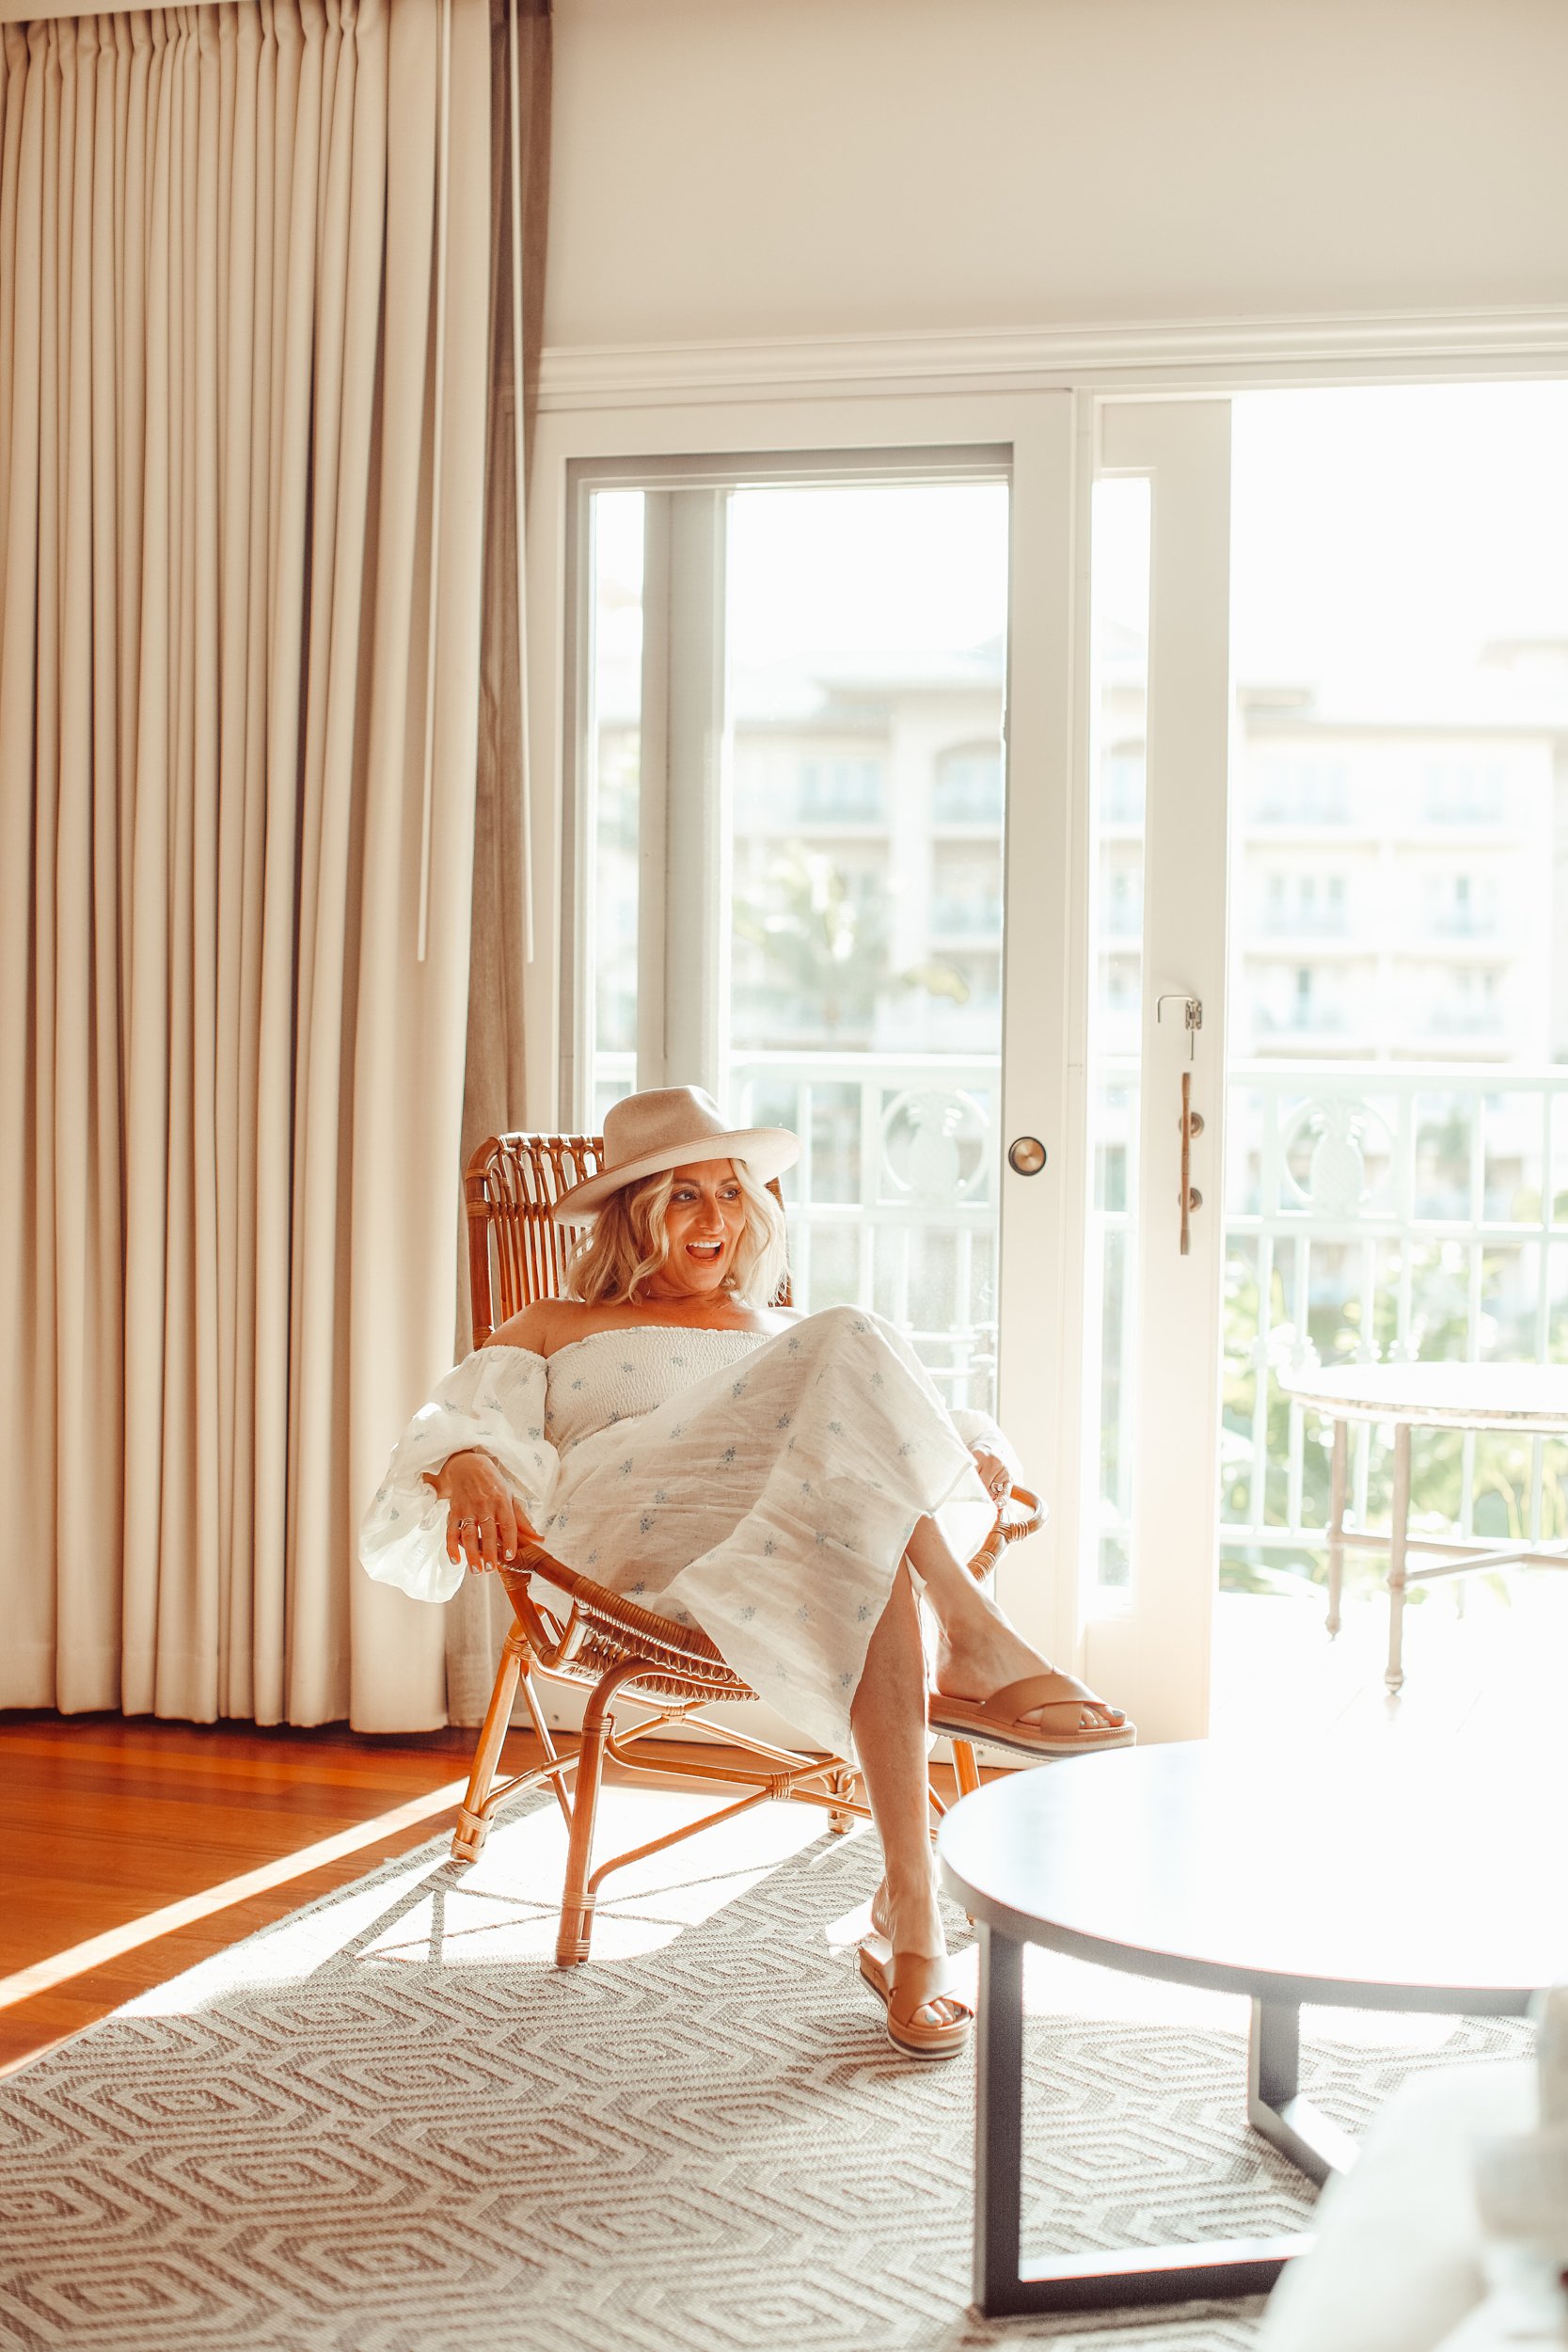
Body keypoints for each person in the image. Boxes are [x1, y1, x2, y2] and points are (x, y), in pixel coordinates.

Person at [361, 1086, 1132, 2060]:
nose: (715, 1218)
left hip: (777, 1542)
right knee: (855, 1368)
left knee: (869, 1524)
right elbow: (455, 1418)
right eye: (683, 1195)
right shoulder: (558, 1322)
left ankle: (911, 1916)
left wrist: (976, 1450)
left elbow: (932, 1426)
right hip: (624, 1537)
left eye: (731, 1192)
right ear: (633, 1215)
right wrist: (468, 1460)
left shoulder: (785, 1334)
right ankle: (974, 1639)